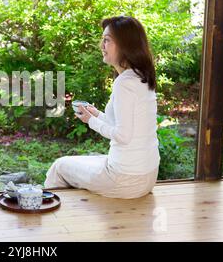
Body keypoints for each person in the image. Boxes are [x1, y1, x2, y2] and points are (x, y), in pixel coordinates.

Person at [44, 16, 160, 199]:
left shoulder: (124, 83)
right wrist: (96, 114)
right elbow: (126, 125)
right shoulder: (140, 77)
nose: (102, 45)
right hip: (147, 175)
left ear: (125, 45)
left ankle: (56, 219)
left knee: (59, 166)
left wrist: (91, 121)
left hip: (126, 180)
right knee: (93, 160)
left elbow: (123, 135)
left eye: (107, 40)